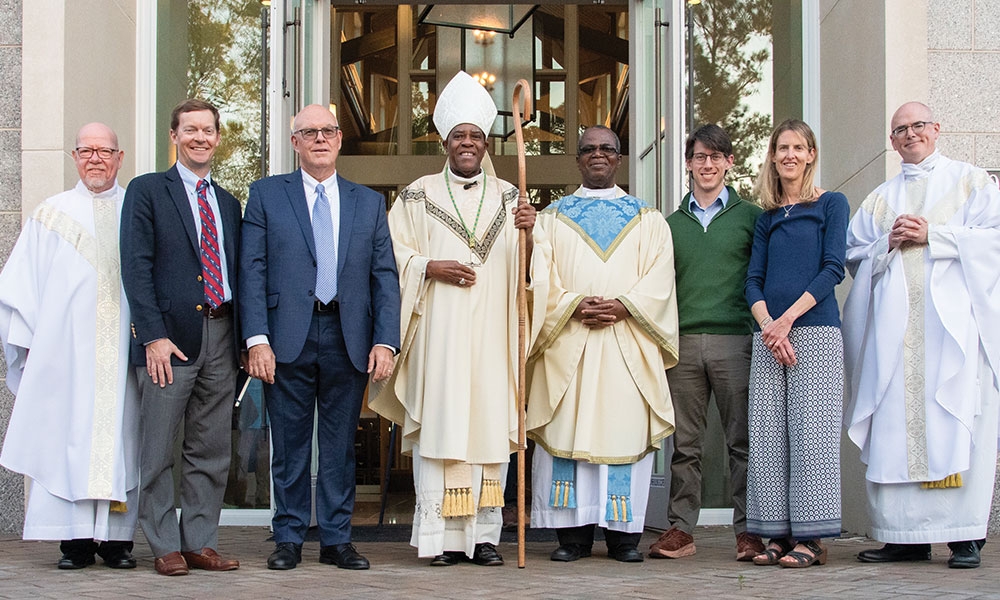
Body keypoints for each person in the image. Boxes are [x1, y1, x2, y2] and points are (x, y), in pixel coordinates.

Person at [370, 70, 536, 567]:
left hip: (492, 337)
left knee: (487, 433)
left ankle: (485, 537)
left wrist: (531, 237)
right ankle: (438, 539)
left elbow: (532, 275)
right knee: (442, 433)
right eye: (459, 136)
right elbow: (391, 257)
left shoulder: (512, 198)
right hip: (439, 335)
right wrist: (428, 266)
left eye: (476, 137)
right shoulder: (416, 195)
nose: (468, 144)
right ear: (444, 141)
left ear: (486, 144)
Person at [239, 104, 400, 571]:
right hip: (287, 335)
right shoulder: (267, 195)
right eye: (309, 132)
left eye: (328, 130)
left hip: (347, 336)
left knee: (337, 447)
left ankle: (336, 539)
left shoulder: (368, 202)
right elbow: (251, 270)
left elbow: (383, 276)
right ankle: (287, 538)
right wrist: (256, 338)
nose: (320, 138)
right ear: (295, 143)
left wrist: (384, 340)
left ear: (340, 139)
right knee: (288, 445)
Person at [844, 102, 1000, 569]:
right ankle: (902, 537)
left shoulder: (972, 181)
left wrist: (936, 234)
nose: (910, 135)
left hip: (950, 334)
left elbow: (993, 241)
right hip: (895, 337)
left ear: (936, 129)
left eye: (918, 126)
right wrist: (885, 245)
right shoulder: (880, 198)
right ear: (891, 142)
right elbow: (854, 253)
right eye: (900, 130)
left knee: (951, 423)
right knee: (895, 427)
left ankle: (963, 538)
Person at [526, 125, 678, 563]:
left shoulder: (649, 219)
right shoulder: (551, 219)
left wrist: (626, 306)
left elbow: (661, 279)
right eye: (589, 149)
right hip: (569, 341)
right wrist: (572, 305)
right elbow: (541, 279)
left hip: (626, 343)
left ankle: (623, 538)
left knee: (623, 427)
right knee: (566, 429)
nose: (598, 155)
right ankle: (571, 538)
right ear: (578, 160)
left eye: (606, 149)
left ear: (619, 158)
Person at [0, 123, 138, 570]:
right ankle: (73, 542)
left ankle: (117, 541)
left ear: (120, 158)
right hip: (66, 357)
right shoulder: (49, 215)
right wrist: (35, 348)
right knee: (68, 439)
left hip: (124, 355)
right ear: (74, 158)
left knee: (123, 440)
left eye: (105, 151)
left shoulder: (137, 212)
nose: (95, 158)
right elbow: (20, 290)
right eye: (86, 150)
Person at [120, 99, 242, 576]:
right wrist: (151, 335)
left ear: (217, 137)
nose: (199, 137)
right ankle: (163, 544)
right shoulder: (148, 191)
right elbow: (136, 266)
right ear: (174, 135)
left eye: (208, 130)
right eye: (190, 129)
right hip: (168, 341)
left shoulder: (228, 203)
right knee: (157, 448)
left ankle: (200, 542)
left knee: (210, 448)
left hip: (221, 332)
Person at [649, 124, 764, 562]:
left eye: (716, 156)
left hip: (738, 340)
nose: (708, 164)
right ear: (688, 164)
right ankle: (680, 530)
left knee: (744, 442)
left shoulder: (751, 217)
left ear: (729, 162)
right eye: (700, 156)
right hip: (684, 342)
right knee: (685, 444)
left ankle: (750, 530)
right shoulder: (667, 225)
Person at [743, 119, 848, 568]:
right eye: (781, 147)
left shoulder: (831, 204)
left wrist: (786, 321)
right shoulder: (767, 217)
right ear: (772, 156)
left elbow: (833, 268)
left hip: (816, 332)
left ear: (810, 154)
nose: (789, 154)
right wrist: (770, 325)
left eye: (798, 147)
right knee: (768, 436)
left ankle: (813, 539)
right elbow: (752, 282)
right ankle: (777, 536)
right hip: (769, 336)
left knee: (811, 436)